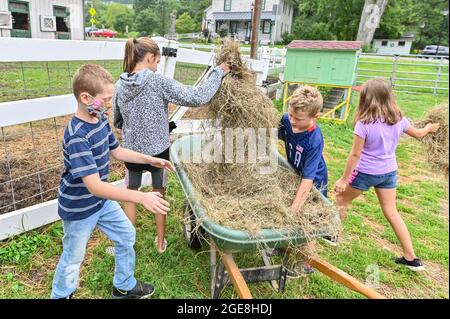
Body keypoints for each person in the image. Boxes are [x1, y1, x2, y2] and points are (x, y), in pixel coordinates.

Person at [51, 64, 175, 299]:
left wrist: (151, 159)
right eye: (106, 99)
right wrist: (140, 196)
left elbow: (117, 151)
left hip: (101, 202)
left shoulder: (99, 119)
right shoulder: (77, 135)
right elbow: (94, 186)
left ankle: (124, 285)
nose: (110, 103)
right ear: (85, 97)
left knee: (126, 234)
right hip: (80, 207)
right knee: (73, 256)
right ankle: (61, 295)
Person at [113, 37, 229, 253]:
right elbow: (197, 97)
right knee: (159, 193)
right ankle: (160, 243)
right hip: (158, 152)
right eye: (157, 62)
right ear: (150, 57)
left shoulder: (119, 85)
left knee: (130, 193)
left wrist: (135, 126)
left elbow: (117, 120)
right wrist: (219, 72)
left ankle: (128, 245)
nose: (157, 68)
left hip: (130, 152)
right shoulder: (158, 82)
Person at [334, 78, 440, 271]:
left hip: (366, 172)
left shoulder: (364, 124)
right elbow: (417, 133)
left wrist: (343, 179)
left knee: (341, 200)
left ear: (366, 99)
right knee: (391, 212)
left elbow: (355, 154)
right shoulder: (399, 119)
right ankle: (411, 258)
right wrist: (429, 128)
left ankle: (331, 235)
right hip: (388, 172)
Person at [278, 85, 329, 275]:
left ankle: (307, 263)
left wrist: (295, 207)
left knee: (308, 220)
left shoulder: (314, 140)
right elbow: (269, 132)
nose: (291, 121)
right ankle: (283, 244)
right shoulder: (287, 120)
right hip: (296, 174)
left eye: (297, 119)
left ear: (315, 117)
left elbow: (308, 181)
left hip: (314, 182)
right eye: (290, 115)